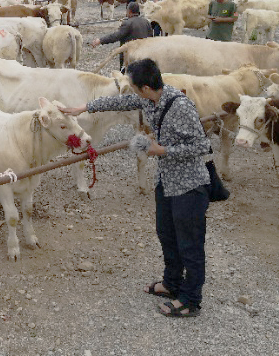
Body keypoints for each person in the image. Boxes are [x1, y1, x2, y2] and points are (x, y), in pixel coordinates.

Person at [60, 58, 211, 318]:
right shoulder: (148, 98)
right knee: (166, 234)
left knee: (190, 243)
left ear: (144, 87)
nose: (129, 91)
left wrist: (161, 150)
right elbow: (119, 102)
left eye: (131, 85)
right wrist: (82, 108)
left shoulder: (181, 107)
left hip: (189, 185)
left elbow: (202, 146)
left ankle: (190, 299)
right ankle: (172, 283)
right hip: (166, 180)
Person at [91, 2, 152, 70]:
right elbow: (151, 38)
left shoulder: (127, 23)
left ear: (129, 11)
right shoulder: (146, 22)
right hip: (145, 56)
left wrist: (100, 40)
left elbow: (116, 36)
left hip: (130, 57)